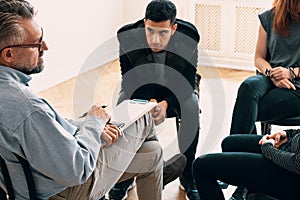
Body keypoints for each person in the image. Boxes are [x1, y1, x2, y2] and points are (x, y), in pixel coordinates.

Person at [0, 0, 163, 200]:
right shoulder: (29, 108)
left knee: (152, 153)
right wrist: (94, 121)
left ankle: (125, 182)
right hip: (66, 190)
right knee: (145, 113)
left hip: (27, 186)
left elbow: (49, 128)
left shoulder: (12, 97)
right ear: (8, 54)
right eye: (37, 42)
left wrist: (90, 126)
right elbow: (78, 169)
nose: (46, 46)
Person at [109, 0, 201, 199]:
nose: (155, 40)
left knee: (192, 105)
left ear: (174, 28)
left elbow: (187, 81)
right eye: (150, 31)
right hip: (142, 88)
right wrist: (148, 103)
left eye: (162, 33)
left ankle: (187, 175)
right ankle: (124, 177)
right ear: (144, 23)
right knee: (122, 102)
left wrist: (166, 104)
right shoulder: (127, 37)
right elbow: (130, 81)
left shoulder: (189, 37)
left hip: (176, 88)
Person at [229, 0, 300, 198]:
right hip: (271, 78)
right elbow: (259, 58)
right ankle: (242, 172)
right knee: (248, 86)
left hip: (297, 86)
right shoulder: (269, 17)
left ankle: (238, 172)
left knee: (247, 109)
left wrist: (291, 73)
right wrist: (272, 74)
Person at [193, 129, 300, 200]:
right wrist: (287, 133)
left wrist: (267, 147)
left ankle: (254, 190)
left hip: (292, 175)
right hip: (291, 149)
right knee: (230, 144)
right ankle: (247, 192)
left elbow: (296, 164)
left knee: (201, 166)